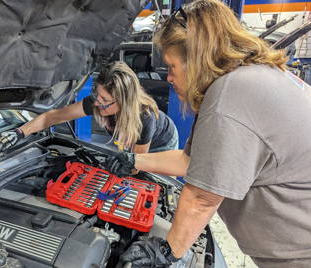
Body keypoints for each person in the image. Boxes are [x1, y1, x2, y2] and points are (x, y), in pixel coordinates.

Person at [107, 0, 311, 267]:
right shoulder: (251, 79)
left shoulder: (232, 94)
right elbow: (192, 161)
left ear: (196, 58)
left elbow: (203, 198)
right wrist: (134, 161)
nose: (168, 77)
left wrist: (167, 252)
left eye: (171, 67)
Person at [0, 61, 178, 154]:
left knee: (151, 185)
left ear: (124, 101)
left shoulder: (144, 117)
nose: (97, 102)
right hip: (134, 141)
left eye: (105, 99)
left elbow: (139, 161)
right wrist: (19, 132)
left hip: (161, 143)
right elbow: (52, 117)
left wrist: (125, 167)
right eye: (98, 95)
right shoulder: (97, 102)